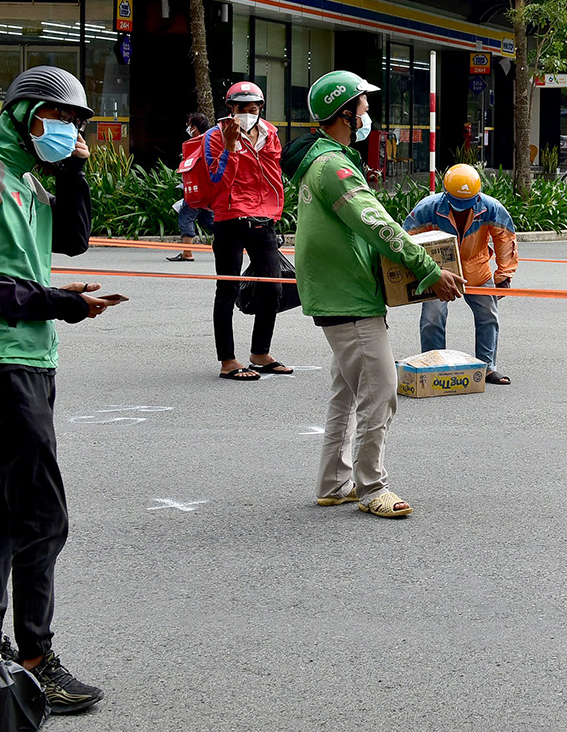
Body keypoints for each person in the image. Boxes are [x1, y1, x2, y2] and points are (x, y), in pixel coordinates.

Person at [0, 66, 126, 714]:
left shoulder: (27, 182)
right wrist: (56, 302)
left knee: (7, 505)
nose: (69, 130)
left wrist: (73, 169)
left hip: (31, 356)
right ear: (21, 116)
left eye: (77, 122)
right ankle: (38, 656)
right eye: (58, 119)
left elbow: (71, 240)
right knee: (44, 513)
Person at [290, 70, 464, 517]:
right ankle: (371, 487)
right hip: (348, 300)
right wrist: (428, 270)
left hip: (337, 294)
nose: (369, 115)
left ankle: (333, 482)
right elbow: (378, 225)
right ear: (344, 113)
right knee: (381, 392)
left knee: (345, 394)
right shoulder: (336, 167)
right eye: (364, 107)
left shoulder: (323, 161)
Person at [404, 163, 519, 385]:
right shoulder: (427, 208)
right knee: (432, 319)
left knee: (488, 317)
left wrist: (504, 276)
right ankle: (434, 364)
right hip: (439, 273)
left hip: (477, 269)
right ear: (445, 193)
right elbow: (406, 240)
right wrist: (417, 272)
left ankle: (487, 367)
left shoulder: (491, 208)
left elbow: (505, 238)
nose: (461, 207)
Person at [204, 80, 289, 380]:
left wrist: (275, 212)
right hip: (230, 219)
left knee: (274, 288)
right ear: (230, 109)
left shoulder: (270, 134)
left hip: (264, 219)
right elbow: (217, 180)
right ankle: (227, 360)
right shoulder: (215, 136)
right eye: (241, 109)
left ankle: (260, 353)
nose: (247, 114)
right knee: (227, 289)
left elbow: (273, 174)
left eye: (253, 109)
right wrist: (231, 148)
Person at [167, 112, 215, 263]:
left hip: (196, 189)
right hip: (207, 189)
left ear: (195, 127)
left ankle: (187, 253)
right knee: (209, 220)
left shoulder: (195, 143)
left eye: (190, 126)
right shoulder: (212, 141)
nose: (188, 129)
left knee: (185, 217)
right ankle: (239, 242)